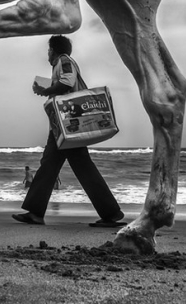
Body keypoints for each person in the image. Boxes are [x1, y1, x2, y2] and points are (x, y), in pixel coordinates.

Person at [13, 35, 126, 228]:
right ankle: (36, 212)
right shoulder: (60, 63)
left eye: (49, 49)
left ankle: (111, 213)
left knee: (69, 167)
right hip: (63, 126)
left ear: (54, 49)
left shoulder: (63, 60)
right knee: (53, 165)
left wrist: (46, 91)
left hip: (69, 125)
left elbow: (66, 82)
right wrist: (47, 89)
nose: (47, 53)